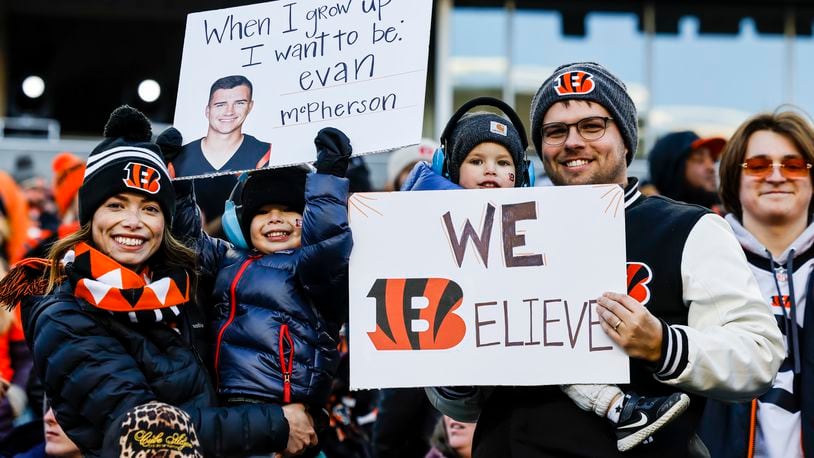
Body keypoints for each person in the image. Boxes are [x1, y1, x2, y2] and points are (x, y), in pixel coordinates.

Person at [426, 62, 785, 457]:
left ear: (626, 140)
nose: (572, 142)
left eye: (592, 126)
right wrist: (455, 369)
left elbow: (759, 354)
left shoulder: (687, 228)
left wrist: (663, 345)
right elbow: (461, 403)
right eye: (556, 131)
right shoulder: (497, 231)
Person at [3, 105, 315, 457]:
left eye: (150, 208)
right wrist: (276, 425)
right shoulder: (62, 310)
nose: (134, 221)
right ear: (90, 216)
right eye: (117, 205)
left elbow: (274, 274)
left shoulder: (176, 285)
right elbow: (145, 429)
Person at [407, 96, 690, 452]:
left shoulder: (545, 224)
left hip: (535, 350)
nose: (490, 170)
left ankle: (620, 409)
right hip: (476, 359)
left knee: (561, 360)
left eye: (503, 162)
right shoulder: (427, 216)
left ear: (522, 175)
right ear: (449, 170)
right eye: (476, 161)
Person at [173, 126, 353, 455]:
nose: (275, 219)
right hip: (227, 410)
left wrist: (327, 180)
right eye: (262, 213)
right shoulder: (228, 258)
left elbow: (328, 244)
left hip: (284, 414)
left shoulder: (313, 268)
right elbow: (186, 240)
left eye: (289, 211)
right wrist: (178, 181)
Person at [698, 110, 814, 458]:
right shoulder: (698, 260)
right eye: (759, 165)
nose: (777, 176)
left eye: (793, 165)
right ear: (735, 177)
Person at [170, 74, 272, 222]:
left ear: (250, 106)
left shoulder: (264, 153)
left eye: (239, 103)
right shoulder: (178, 159)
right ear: (207, 110)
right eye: (220, 105)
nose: (229, 111)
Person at [647, 131, 727, 211]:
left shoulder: (726, 216)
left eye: (713, 159)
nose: (711, 167)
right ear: (672, 169)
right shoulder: (648, 220)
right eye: (699, 158)